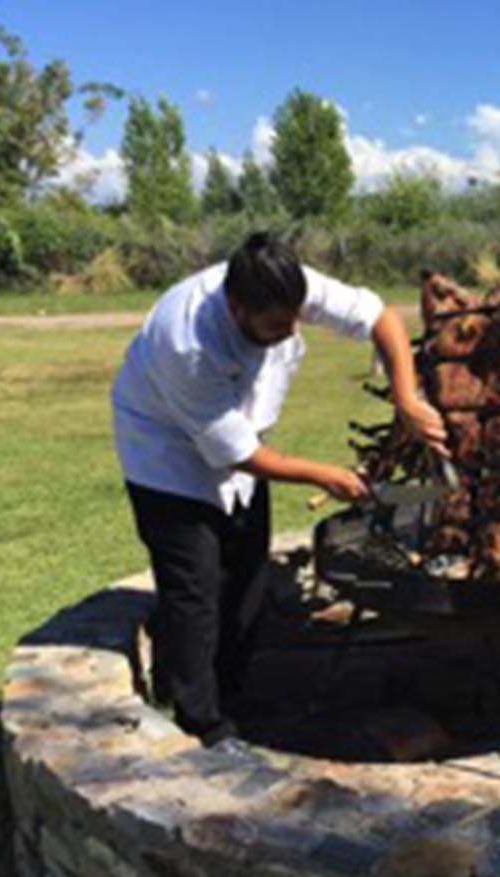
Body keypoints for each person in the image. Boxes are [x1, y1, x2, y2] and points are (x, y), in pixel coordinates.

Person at [111, 231, 446, 746]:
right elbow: (237, 453)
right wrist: (325, 475)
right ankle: (202, 724)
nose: (290, 330)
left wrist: (407, 398)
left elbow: (380, 317)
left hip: (243, 444)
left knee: (248, 581)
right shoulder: (187, 343)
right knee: (195, 591)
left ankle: (236, 694)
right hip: (168, 459)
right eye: (276, 325)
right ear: (237, 308)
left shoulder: (286, 287)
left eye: (295, 318)